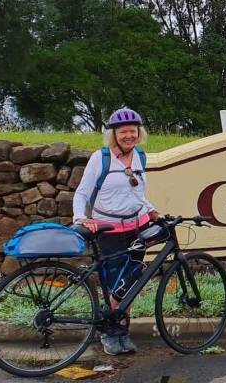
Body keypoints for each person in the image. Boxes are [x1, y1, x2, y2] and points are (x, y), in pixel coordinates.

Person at [73, 107, 159, 355]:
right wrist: (81, 218)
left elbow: (137, 193)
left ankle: (121, 330)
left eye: (133, 131)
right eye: (123, 132)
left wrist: (151, 210)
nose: (129, 136)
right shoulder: (101, 158)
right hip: (109, 229)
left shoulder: (140, 156)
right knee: (116, 285)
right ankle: (110, 332)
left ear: (139, 133)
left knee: (131, 281)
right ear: (114, 135)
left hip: (138, 226)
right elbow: (82, 193)